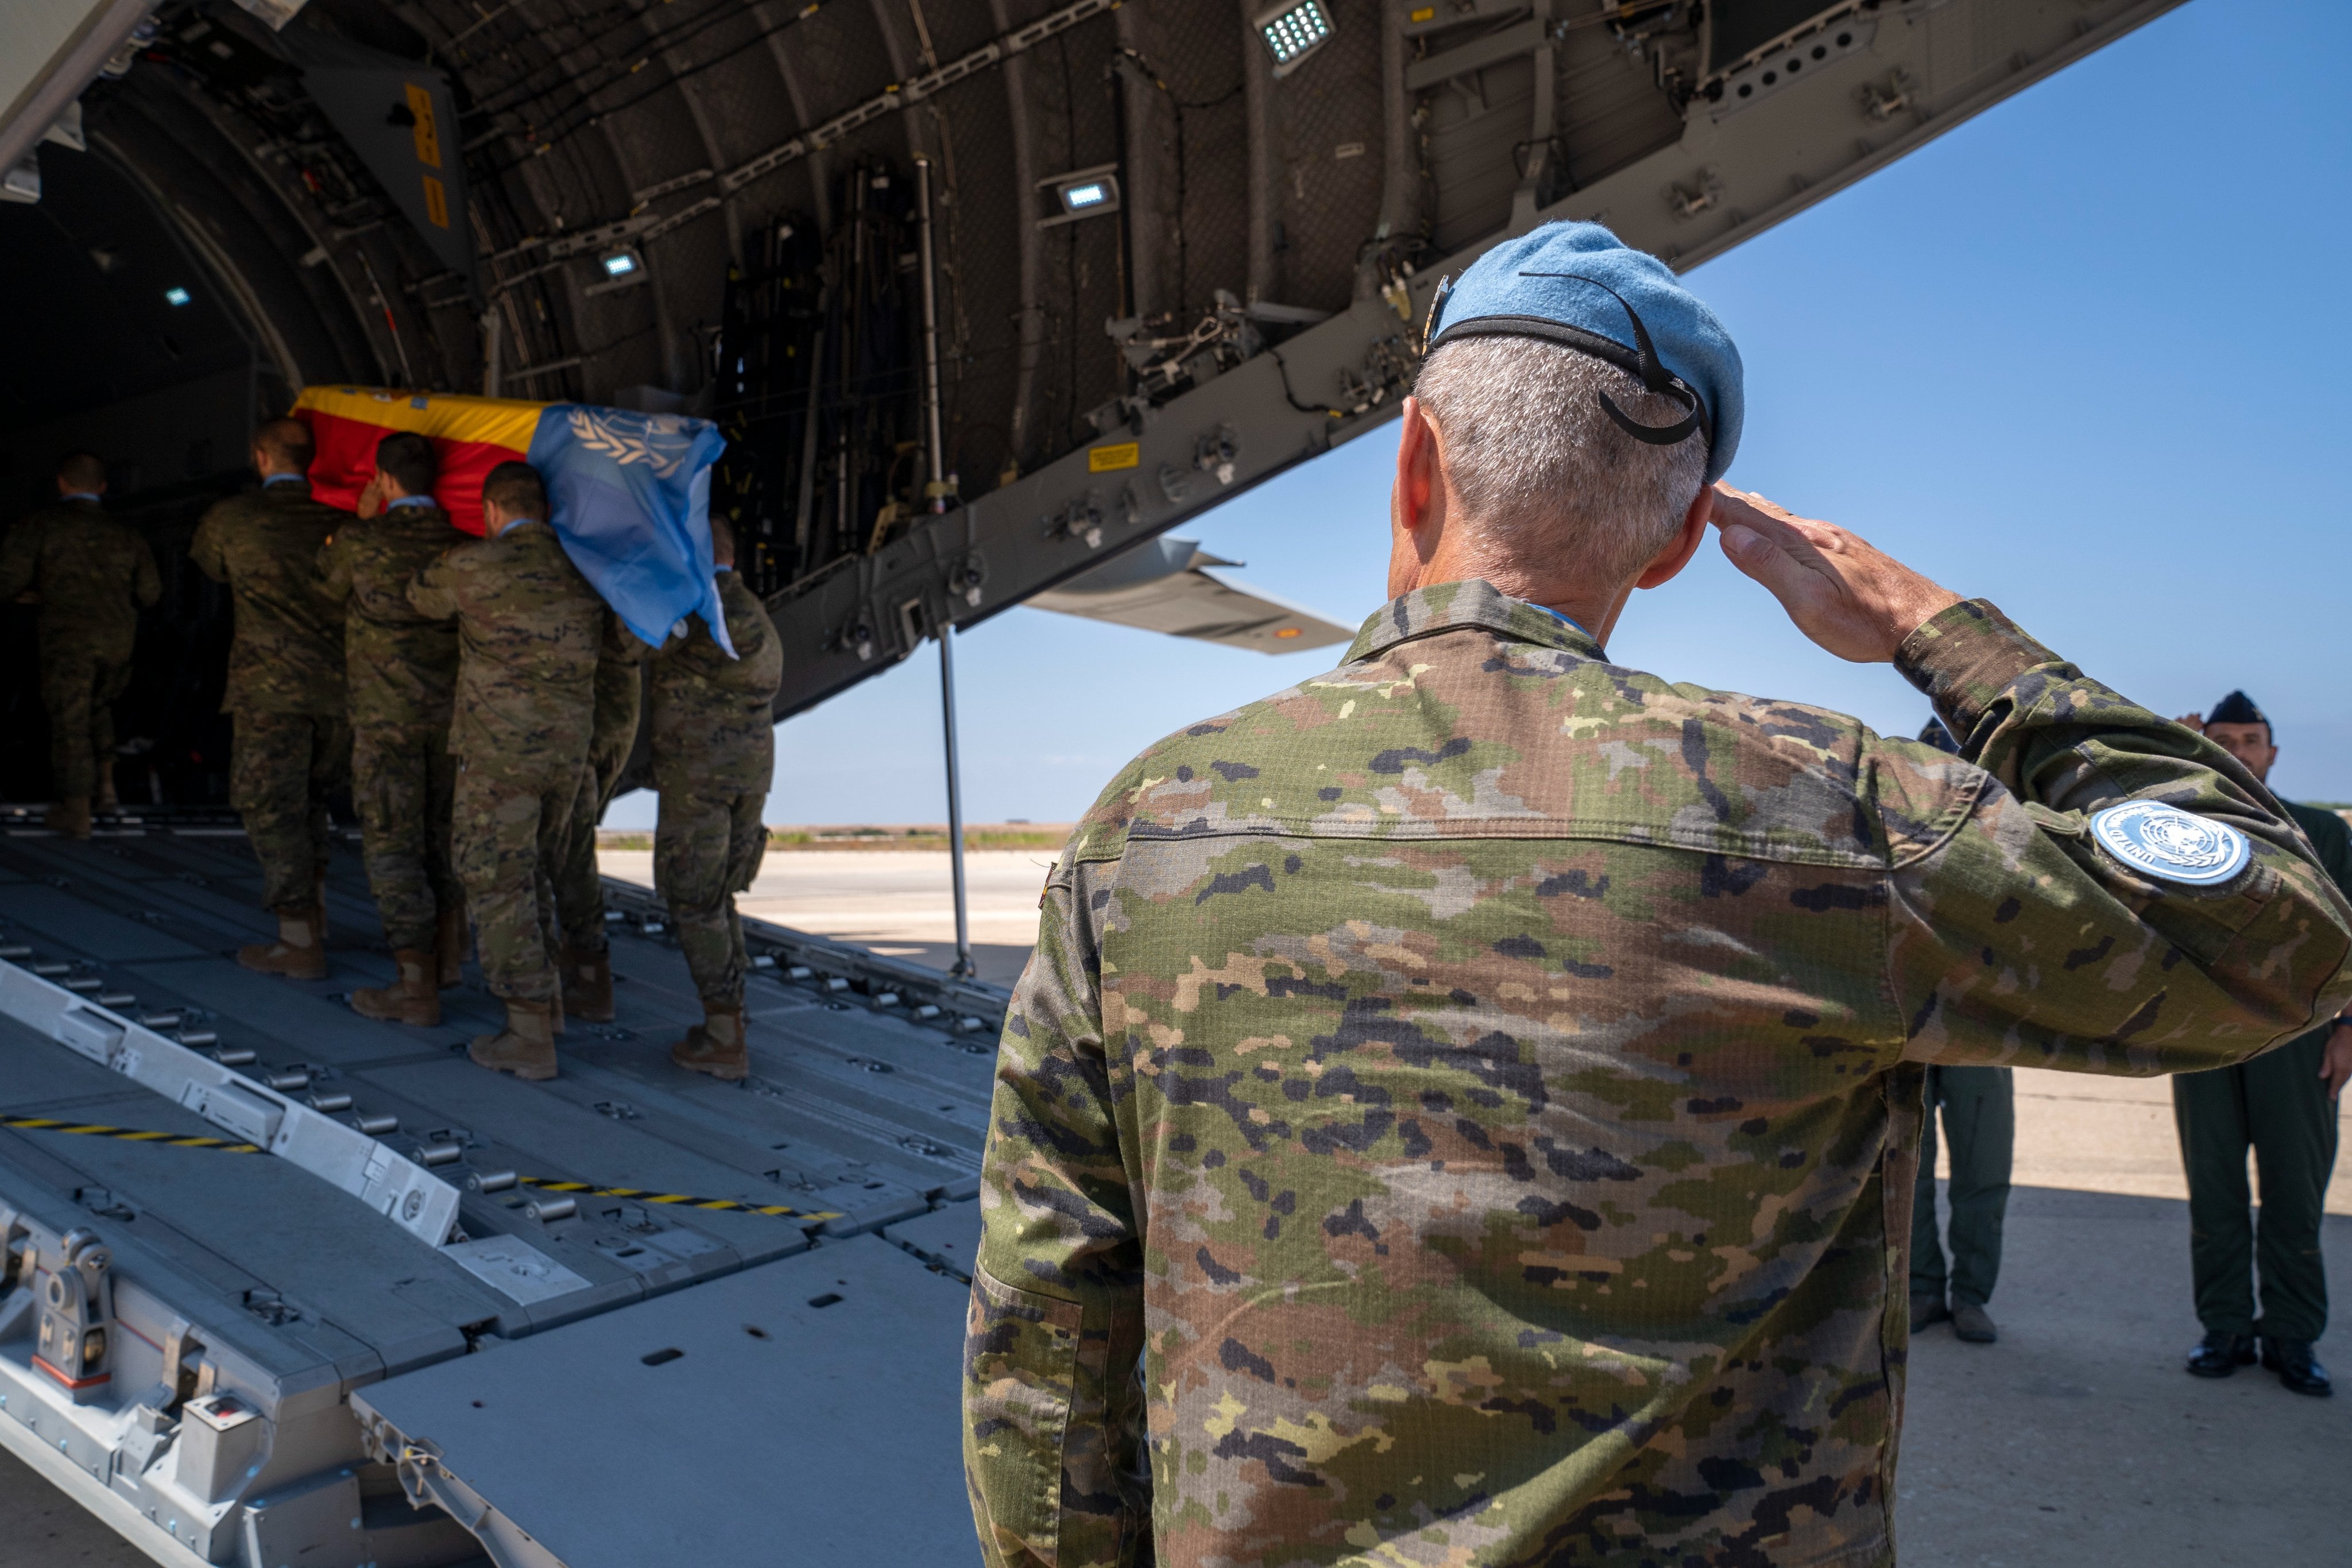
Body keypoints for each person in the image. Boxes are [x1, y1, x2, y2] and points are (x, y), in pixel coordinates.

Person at [959, 221, 2352, 1568]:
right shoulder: (1819, 808)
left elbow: (1046, 1346)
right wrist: (1941, 633)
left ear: (1415, 467)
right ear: (1683, 537)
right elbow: (2277, 934)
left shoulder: (1148, 827)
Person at [2169, 690, 2352, 1396]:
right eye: (2224, 741)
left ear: (2271, 753)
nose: (2239, 752)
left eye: (2250, 741)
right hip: (2207, 1036)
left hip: (2298, 1038)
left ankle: (2292, 1335)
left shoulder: (2319, 832)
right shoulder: (2177, 825)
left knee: (2295, 1192)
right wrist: (2167, 759)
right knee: (2212, 1192)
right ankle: (2222, 1326)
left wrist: (2347, 1030)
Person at [409, 460, 613, 1079]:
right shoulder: (590, 571)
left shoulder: (474, 565)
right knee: (535, 877)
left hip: (501, 755)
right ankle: (548, 1003)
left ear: (492, 511)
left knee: (495, 878)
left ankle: (527, 1034)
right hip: (566, 758)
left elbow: (417, 598)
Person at [191, 418, 351, 979]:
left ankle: (298, 939)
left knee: (271, 808)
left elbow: (210, 566)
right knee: (311, 805)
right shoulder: (342, 521)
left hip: (270, 692)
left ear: (261, 456)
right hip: (339, 693)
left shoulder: (234, 518)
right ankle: (317, 914)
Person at [319, 432, 468, 1024]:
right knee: (443, 838)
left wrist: (356, 519)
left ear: (383, 479)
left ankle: (413, 987)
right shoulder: (463, 546)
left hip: (387, 722)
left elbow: (323, 587)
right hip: (452, 721)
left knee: (392, 845)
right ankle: (449, 960)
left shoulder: (362, 542)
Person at [647, 517, 780, 1079]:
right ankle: (729, 1019)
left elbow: (633, 642)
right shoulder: (755, 614)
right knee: (719, 897)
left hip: (699, 780)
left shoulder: (700, 614)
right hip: (747, 778)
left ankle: (724, 1036)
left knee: (694, 899)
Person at [1906, 716, 2016, 1345]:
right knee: (1911, 1170)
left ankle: (1972, 1295)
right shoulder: (1892, 844)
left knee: (1983, 1166)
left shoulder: (2003, 846)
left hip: (1977, 1032)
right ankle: (1922, 1288)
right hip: (1914, 1031)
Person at [0, 451, 160, 838]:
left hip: (68, 638)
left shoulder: (40, 527)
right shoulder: (128, 535)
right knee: (99, 708)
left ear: (62, 484)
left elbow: (7, 581)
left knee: (70, 718)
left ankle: (76, 808)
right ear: (103, 487)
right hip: (118, 641)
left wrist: (38, 595)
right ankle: (106, 789)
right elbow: (151, 593)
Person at [547, 610, 646, 1024]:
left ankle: (583, 981)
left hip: (584, 730)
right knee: (573, 849)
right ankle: (583, 975)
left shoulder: (599, 593)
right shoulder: (619, 592)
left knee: (569, 852)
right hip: (600, 724)